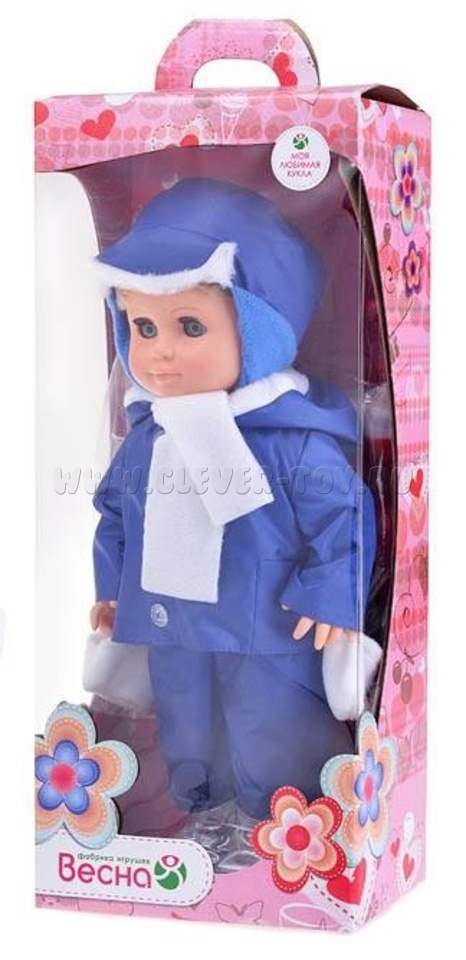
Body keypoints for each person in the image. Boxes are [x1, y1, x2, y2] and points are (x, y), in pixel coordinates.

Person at [90, 178, 377, 835]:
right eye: (142, 327)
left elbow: (344, 515)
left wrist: (332, 595)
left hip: (266, 624)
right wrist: (112, 589)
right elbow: (117, 516)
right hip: (170, 621)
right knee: (184, 728)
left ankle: (283, 827)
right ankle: (199, 816)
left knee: (272, 727)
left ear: (259, 331)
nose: (159, 350)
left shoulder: (291, 439)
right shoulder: (150, 436)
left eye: (189, 326)